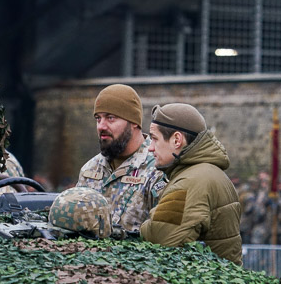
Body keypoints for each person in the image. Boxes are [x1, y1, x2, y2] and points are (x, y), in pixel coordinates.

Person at [139, 103, 242, 265]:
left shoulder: (189, 182)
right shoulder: (207, 172)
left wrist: (141, 228)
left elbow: (160, 237)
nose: (150, 148)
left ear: (177, 140)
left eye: (154, 139)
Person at [76, 84, 165, 237]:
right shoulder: (90, 169)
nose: (101, 126)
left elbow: (164, 235)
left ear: (134, 122)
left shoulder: (157, 169)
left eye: (110, 118)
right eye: (98, 118)